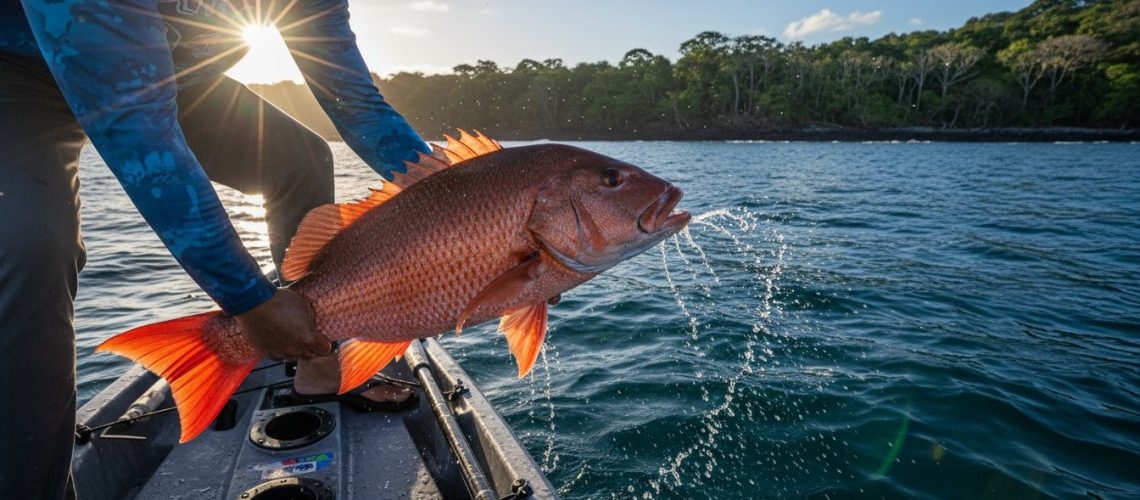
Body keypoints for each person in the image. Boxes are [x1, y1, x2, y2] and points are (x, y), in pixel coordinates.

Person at [0, 1, 430, 497]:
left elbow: (358, 106)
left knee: (299, 159)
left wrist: (478, 207)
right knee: (28, 243)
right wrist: (248, 300)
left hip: (165, 76)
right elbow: (137, 133)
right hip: (19, 77)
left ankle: (317, 360)